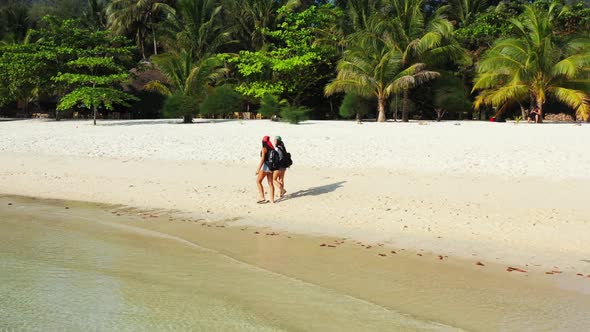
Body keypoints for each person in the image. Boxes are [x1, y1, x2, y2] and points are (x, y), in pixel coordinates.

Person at [255, 136, 275, 204]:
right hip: (271, 167)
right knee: (270, 183)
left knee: (258, 181)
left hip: (265, 167)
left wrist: (258, 169)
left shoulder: (264, 148)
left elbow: (263, 159)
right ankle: (272, 200)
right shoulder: (272, 148)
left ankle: (262, 197)